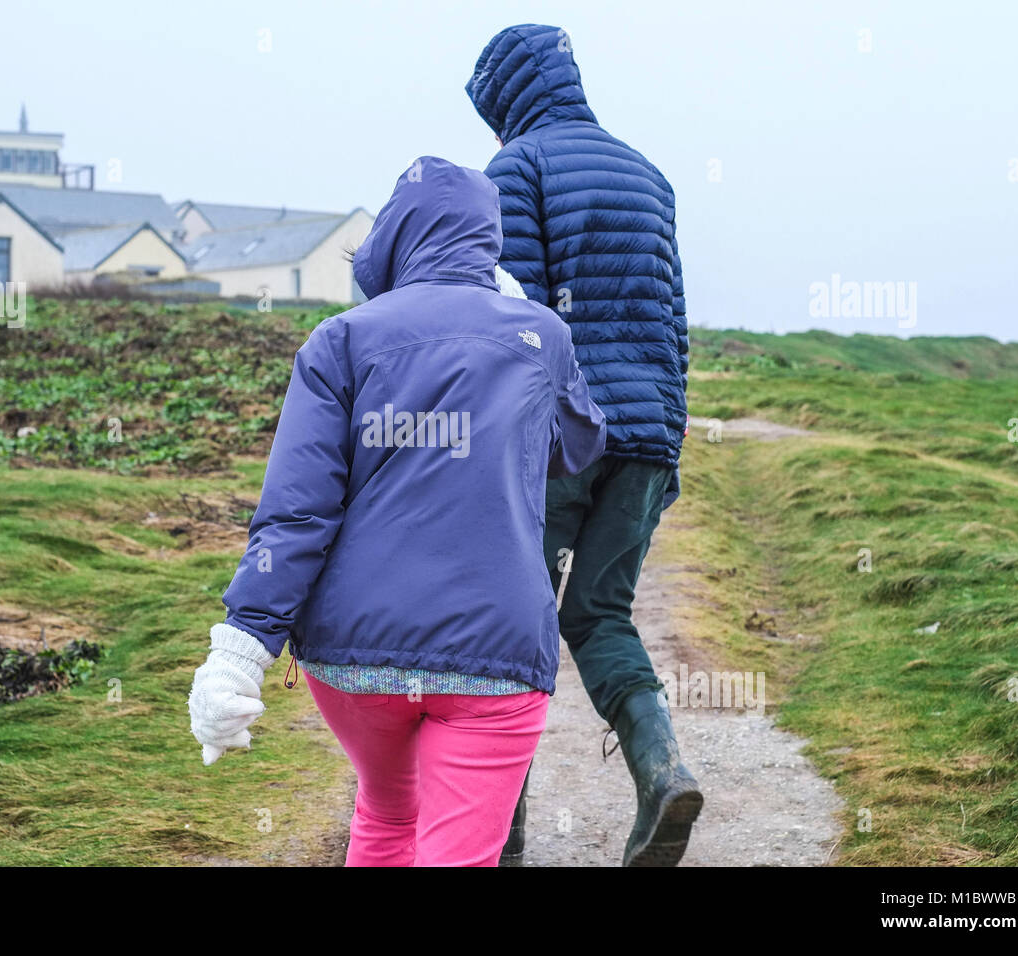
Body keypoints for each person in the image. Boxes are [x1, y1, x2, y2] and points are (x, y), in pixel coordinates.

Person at [188, 156, 607, 867]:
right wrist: (514, 318)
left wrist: (239, 650)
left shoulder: (340, 340)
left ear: (396, 236)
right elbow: (578, 442)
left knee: (386, 813)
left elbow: (297, 513)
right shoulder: (542, 338)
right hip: (496, 653)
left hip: (355, 658)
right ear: (489, 239)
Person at [466, 23, 702, 866]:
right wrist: (668, 447)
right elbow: (674, 326)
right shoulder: (651, 175)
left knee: (508, 621)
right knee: (599, 614)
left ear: (507, 98)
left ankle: (500, 834)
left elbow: (517, 321)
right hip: (645, 437)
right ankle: (662, 772)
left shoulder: (516, 168)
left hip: (559, 437)